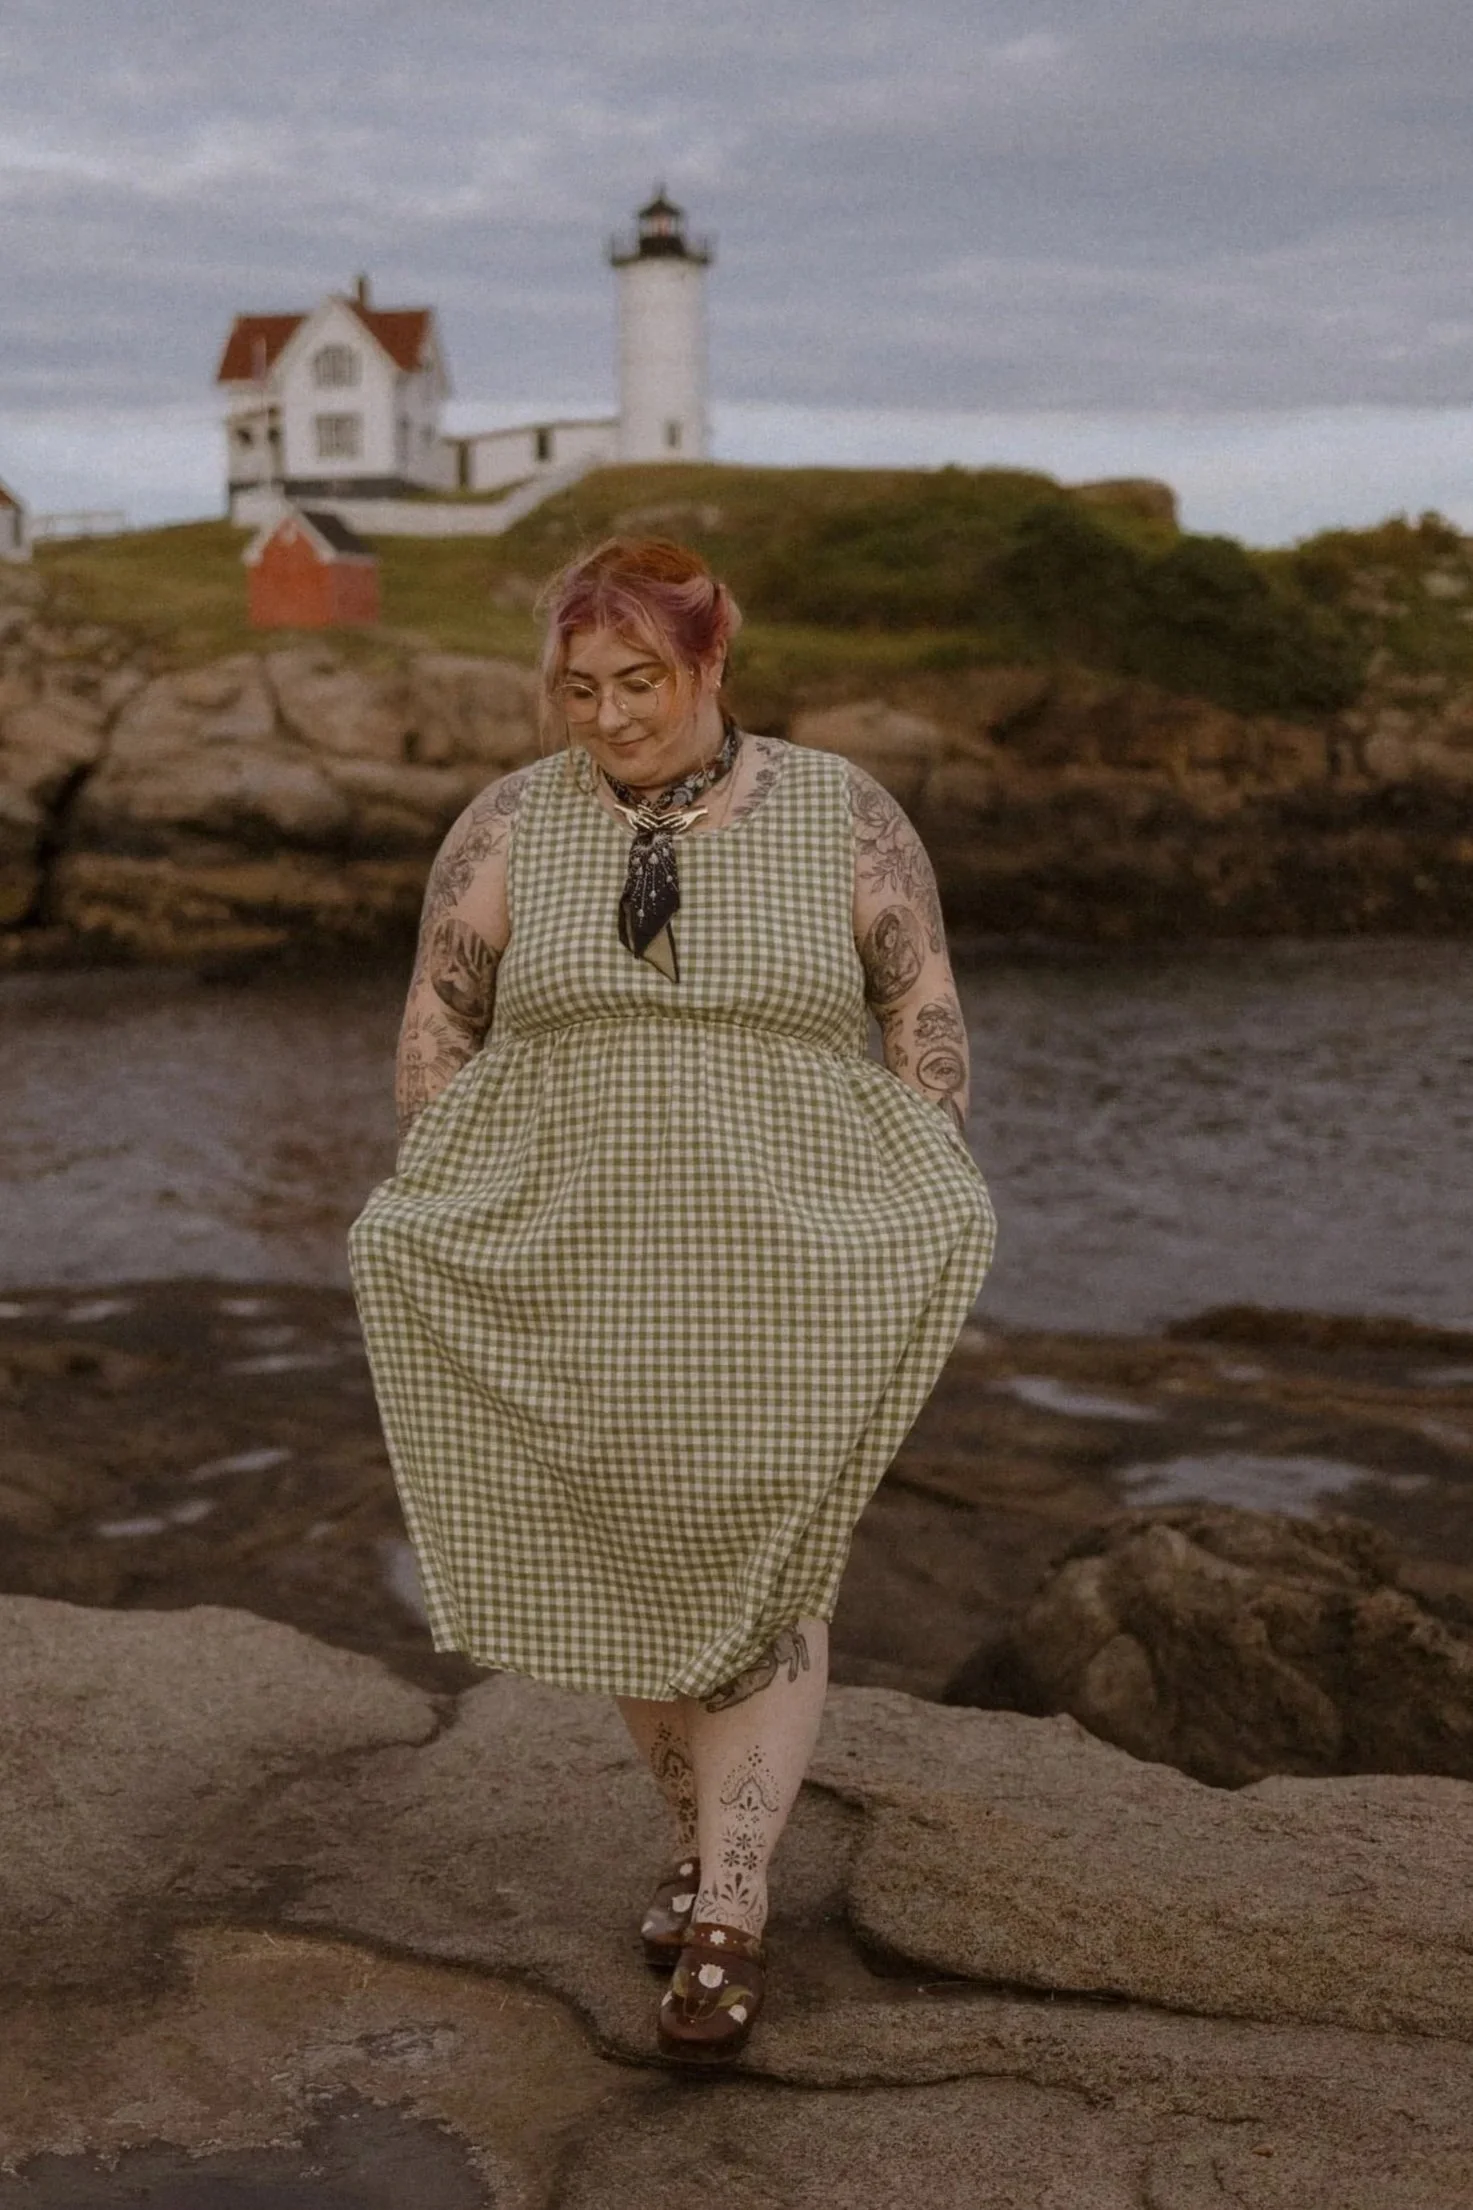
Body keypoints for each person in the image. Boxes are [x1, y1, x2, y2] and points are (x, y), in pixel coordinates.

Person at [349, 537, 995, 2063]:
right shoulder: (510, 821)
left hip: (786, 1262)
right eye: (580, 688)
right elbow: (440, 1014)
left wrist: (913, 1196)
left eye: (640, 681)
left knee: (771, 1566)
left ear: (712, 662)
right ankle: (703, 1845)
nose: (610, 714)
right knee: (628, 1568)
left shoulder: (844, 811)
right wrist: (448, 1188)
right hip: (576, 1265)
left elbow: (919, 1003)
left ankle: (731, 1904)